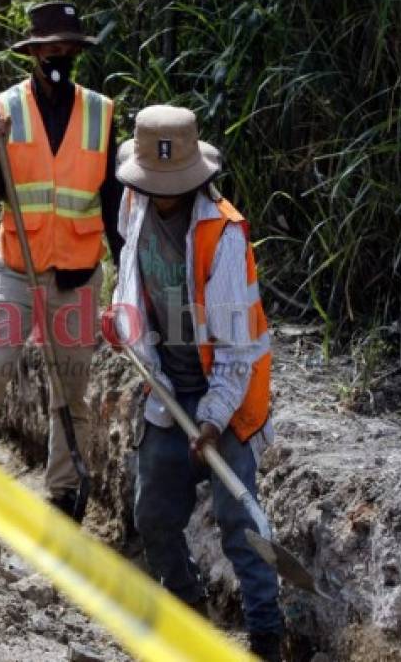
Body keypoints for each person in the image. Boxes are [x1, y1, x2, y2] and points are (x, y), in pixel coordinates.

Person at [0, 1, 123, 519]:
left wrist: (126, 269)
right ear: (33, 53)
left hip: (78, 275)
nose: (58, 56)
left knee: (72, 386)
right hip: (17, 270)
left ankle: (64, 492)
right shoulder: (2, 109)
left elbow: (112, 203)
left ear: (77, 52)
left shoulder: (102, 114)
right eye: (49, 48)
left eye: (67, 48)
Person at [106, 105, 283, 661]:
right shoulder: (133, 205)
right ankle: (189, 612)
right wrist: (123, 322)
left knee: (240, 524)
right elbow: (130, 281)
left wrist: (211, 419)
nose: (160, 193)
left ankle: (265, 640)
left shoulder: (222, 235)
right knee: (153, 516)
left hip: (225, 393)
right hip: (164, 386)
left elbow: (239, 350)